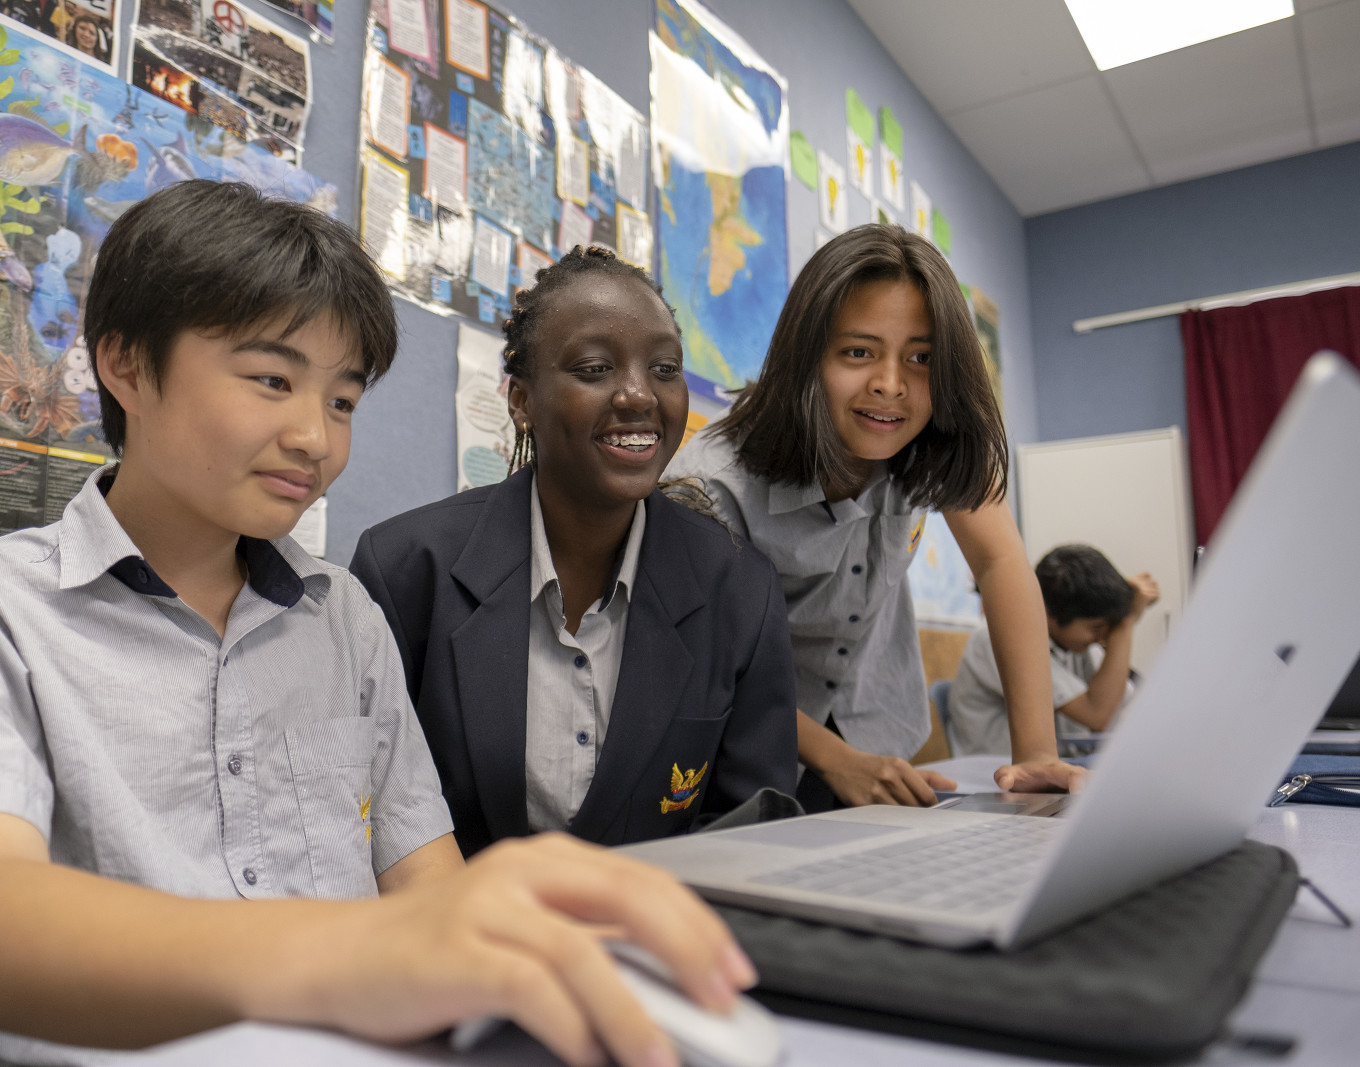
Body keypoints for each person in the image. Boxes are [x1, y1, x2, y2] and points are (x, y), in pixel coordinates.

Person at [0, 184, 755, 1067]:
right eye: (270, 380)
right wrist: (360, 956)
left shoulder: (346, 620)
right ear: (125, 363)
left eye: (343, 400)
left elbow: (426, 885)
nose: (315, 437)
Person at [352, 245, 798, 856]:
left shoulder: (741, 590)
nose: (639, 394)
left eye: (664, 368)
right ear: (521, 402)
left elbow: (752, 833)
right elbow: (362, 817)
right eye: (594, 368)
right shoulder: (405, 569)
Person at [666, 224, 1083, 809]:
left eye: (921, 358)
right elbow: (707, 659)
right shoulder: (710, 485)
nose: (890, 385)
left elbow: (1000, 561)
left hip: (874, 725)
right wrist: (838, 762)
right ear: (806, 356)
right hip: (744, 742)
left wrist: (1037, 753)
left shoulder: (932, 442)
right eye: (858, 352)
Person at [948, 545, 1160, 757]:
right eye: (1096, 628)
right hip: (994, 769)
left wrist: (1121, 612)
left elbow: (1119, 706)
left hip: (1055, 764)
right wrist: (1126, 623)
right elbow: (1098, 715)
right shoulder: (998, 635)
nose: (1103, 637)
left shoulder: (1074, 643)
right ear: (1049, 613)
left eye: (1109, 628)